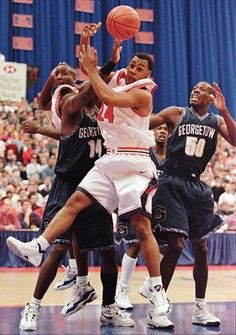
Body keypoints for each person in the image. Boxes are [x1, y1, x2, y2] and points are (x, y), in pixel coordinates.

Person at [7, 31, 171, 328]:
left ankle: (156, 290)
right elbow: (91, 84)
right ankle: (38, 249)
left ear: (148, 74)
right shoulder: (74, 102)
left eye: (139, 67)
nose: (132, 69)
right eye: (131, 65)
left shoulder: (140, 93)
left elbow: (103, 91)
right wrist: (93, 53)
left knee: (138, 228)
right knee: (73, 206)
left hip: (134, 161)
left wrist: (96, 68)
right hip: (102, 163)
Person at [144, 81, 236, 327]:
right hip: (172, 181)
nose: (194, 90)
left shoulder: (216, 121)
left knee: (202, 249)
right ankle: (156, 310)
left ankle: (200, 308)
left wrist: (225, 111)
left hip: (197, 186)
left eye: (201, 88)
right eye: (193, 87)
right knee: (175, 244)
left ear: (211, 96)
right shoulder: (176, 113)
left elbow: (235, 140)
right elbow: (145, 123)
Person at [115, 124, 174, 329]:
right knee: (134, 245)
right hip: (138, 200)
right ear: (152, 132)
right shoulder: (145, 151)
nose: (162, 131)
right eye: (158, 128)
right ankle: (122, 290)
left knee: (167, 246)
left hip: (161, 204)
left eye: (166, 129)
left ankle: (149, 284)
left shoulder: (173, 155)